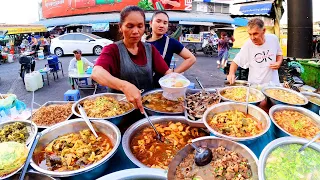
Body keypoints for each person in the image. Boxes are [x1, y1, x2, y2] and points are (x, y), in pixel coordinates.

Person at [92, 6, 172, 113]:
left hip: (148, 108)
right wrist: (124, 86)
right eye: (130, 26)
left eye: (140, 26)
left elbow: (167, 72)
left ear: (145, 27)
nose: (135, 31)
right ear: (120, 27)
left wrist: (176, 83)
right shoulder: (112, 50)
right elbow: (96, 73)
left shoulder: (149, 49)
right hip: (120, 111)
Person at [227, 18, 283, 85]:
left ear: (264, 31)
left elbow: (279, 54)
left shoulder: (273, 39)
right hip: (255, 86)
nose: (252, 38)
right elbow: (235, 62)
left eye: (255, 34)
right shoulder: (248, 45)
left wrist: (279, 62)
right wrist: (231, 73)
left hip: (273, 85)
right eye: (250, 34)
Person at [147, 11, 196, 87]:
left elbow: (191, 58)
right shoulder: (142, 43)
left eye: (165, 23)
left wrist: (174, 73)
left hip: (163, 87)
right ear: (150, 23)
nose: (161, 25)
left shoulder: (170, 42)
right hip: (143, 86)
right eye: (158, 21)